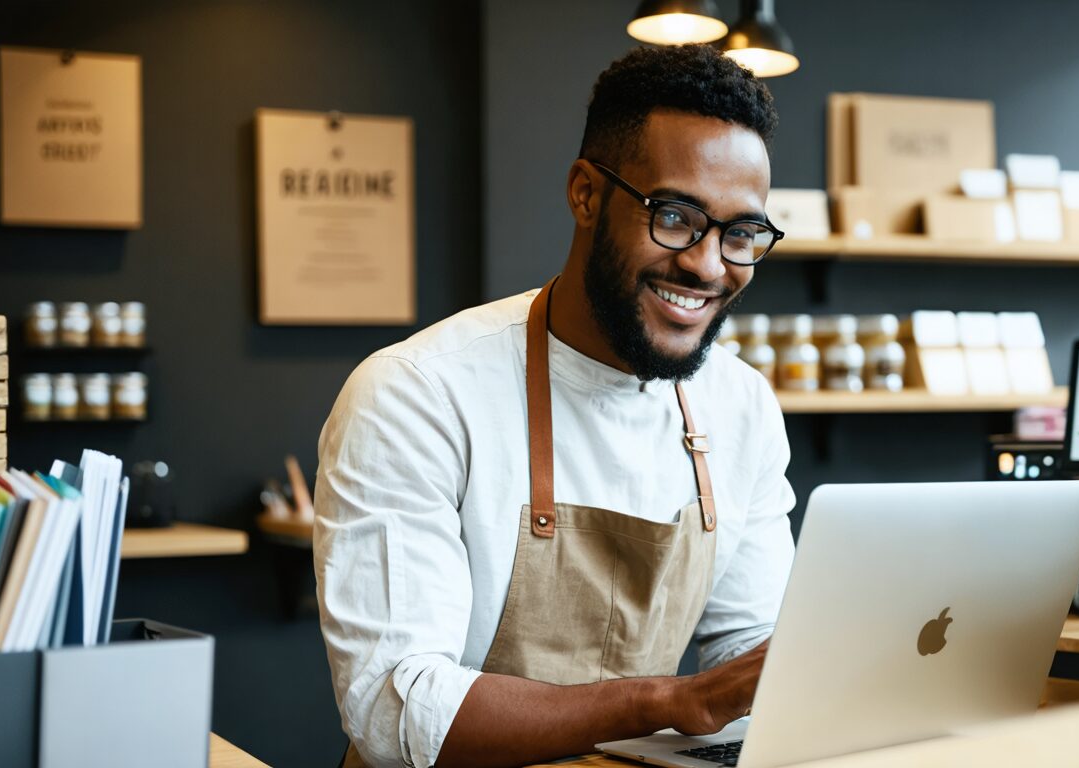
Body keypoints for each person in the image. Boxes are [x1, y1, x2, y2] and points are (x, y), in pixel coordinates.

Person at [315, 44, 795, 768]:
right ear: (586, 194)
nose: (705, 264)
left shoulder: (742, 406)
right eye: (675, 215)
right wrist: (661, 703)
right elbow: (393, 705)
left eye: (740, 233)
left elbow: (750, 654)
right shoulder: (417, 394)